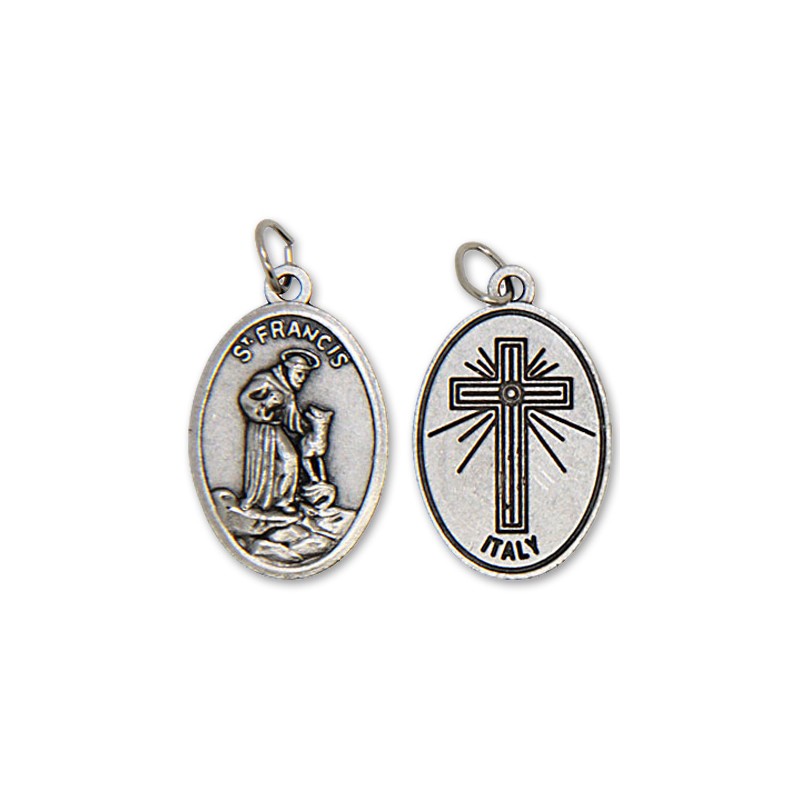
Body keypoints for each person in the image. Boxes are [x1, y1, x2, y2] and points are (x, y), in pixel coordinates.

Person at [238, 349, 321, 512]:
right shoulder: (266, 380)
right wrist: (265, 405)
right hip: (261, 429)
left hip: (276, 428)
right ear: (288, 369)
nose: (302, 379)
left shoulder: (288, 391)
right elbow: (245, 399)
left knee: (291, 459)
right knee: (266, 463)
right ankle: (255, 499)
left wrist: (312, 428)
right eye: (299, 374)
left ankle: (285, 500)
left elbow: (292, 419)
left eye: (305, 376)